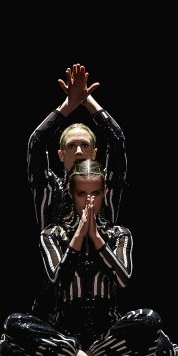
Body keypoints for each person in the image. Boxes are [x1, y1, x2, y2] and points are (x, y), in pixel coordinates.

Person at [0, 159, 178, 356]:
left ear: (104, 192)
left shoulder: (119, 234)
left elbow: (123, 279)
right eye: (82, 194)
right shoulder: (52, 234)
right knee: (13, 327)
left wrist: (97, 238)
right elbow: (58, 281)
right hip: (63, 332)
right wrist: (79, 236)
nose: (89, 202)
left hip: (107, 334)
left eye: (95, 193)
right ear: (71, 193)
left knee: (151, 323)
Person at [28, 63, 127, 233]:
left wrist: (86, 99)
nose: (79, 151)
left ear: (94, 153)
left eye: (85, 145)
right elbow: (36, 142)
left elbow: (117, 140)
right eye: (71, 146)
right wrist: (69, 104)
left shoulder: (105, 186)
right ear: (60, 155)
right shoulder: (49, 188)